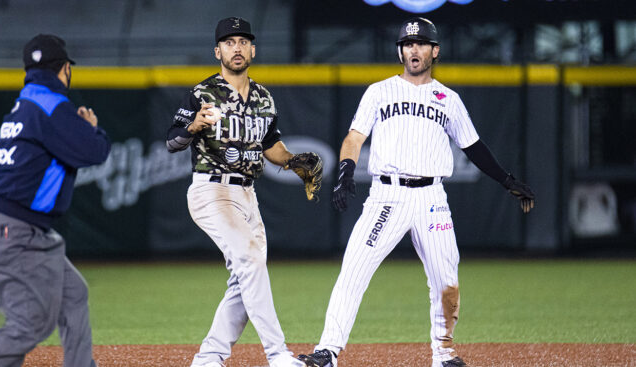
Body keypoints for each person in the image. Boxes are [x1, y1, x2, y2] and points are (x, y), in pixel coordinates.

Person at [297, 17, 535, 367]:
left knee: (446, 281)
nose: (414, 49)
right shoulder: (379, 91)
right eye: (408, 44)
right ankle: (328, 351)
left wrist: (506, 179)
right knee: (353, 270)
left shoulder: (448, 100)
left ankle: (443, 354)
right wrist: (346, 170)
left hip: (432, 199)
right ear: (400, 51)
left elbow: (473, 147)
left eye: (421, 44)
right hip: (386, 197)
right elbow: (354, 138)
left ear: (434, 51)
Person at [166, 16, 313, 367]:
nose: (237, 47)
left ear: (253, 50)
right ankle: (278, 355)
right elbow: (172, 141)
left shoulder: (264, 97)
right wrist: (194, 125)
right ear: (218, 50)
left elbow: (270, 145)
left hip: (248, 195)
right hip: (212, 190)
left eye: (243, 41)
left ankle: (208, 358)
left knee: (246, 275)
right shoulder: (203, 92)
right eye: (230, 42)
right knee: (249, 262)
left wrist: (295, 163)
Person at [0, 34, 110, 367]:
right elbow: (94, 151)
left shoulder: (26, 102)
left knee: (73, 294)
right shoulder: (50, 105)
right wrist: (92, 128)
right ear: (64, 69)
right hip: (13, 230)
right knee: (30, 322)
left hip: (6, 223)